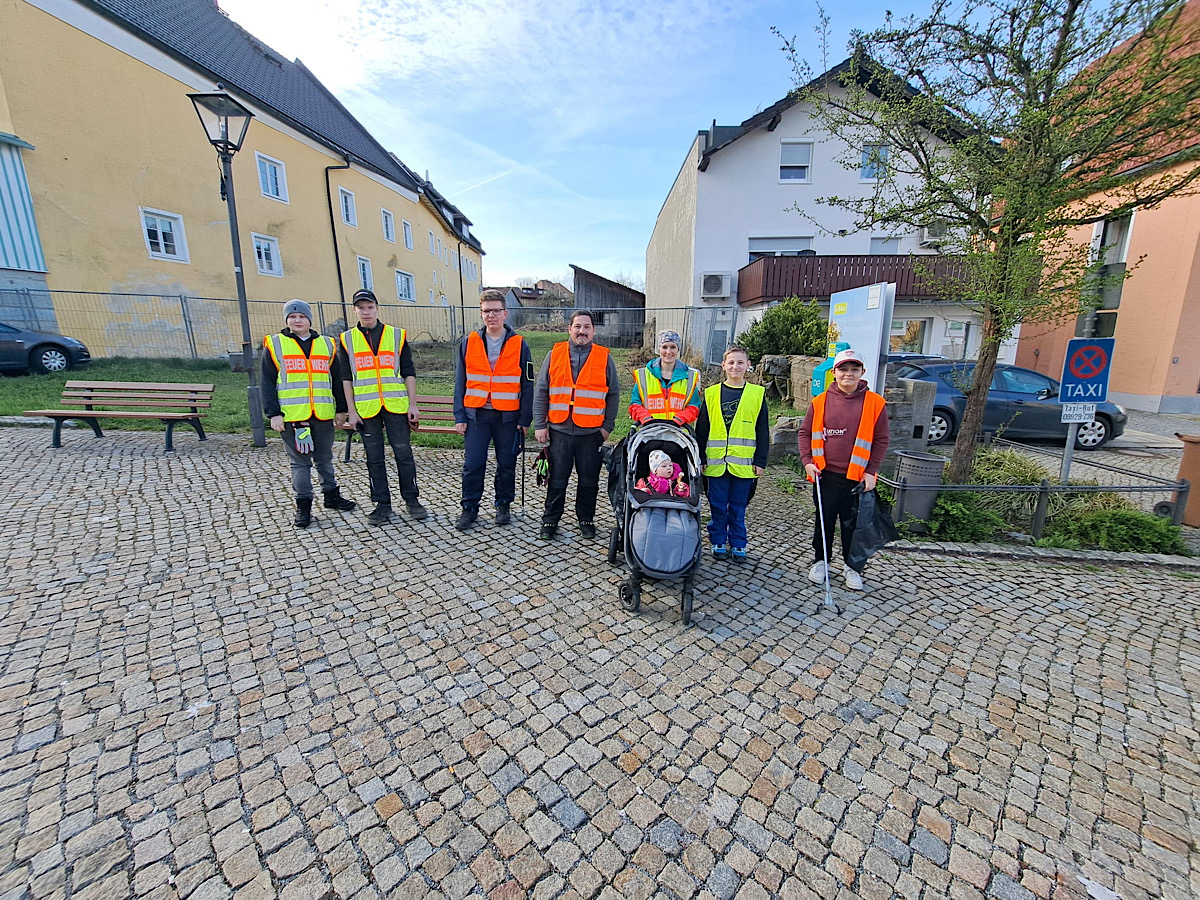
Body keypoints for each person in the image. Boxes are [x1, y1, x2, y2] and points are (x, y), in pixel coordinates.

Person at [796, 348, 890, 590]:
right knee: (823, 522)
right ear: (834, 372)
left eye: (854, 369)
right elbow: (805, 433)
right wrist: (807, 460)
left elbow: (881, 440)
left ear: (862, 372)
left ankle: (852, 567)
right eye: (843, 369)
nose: (848, 373)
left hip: (856, 478)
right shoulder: (820, 402)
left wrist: (871, 471)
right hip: (824, 475)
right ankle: (821, 562)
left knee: (853, 525)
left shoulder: (875, 403)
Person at [334, 288, 428, 526]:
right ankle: (382, 504)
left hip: (396, 405)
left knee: (403, 454)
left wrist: (413, 404)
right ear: (354, 310)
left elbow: (409, 371)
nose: (366, 312)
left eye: (369, 307)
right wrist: (351, 411)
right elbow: (345, 377)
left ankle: (412, 500)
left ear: (377, 308)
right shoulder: (346, 339)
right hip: (366, 408)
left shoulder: (396, 335)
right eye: (361, 307)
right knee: (374, 458)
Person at [262, 299, 357, 528]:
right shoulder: (275, 345)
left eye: (302, 316)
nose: (297, 320)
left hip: (322, 414)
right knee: (300, 463)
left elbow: (337, 379)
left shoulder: (327, 344)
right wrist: (273, 414)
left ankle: (331, 495)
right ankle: (303, 507)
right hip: (294, 417)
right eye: (292, 317)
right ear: (287, 320)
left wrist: (342, 408)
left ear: (309, 320)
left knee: (324, 458)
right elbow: (266, 382)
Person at [532, 309, 620, 540]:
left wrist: (606, 428)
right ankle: (550, 521)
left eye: (587, 327)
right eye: (577, 326)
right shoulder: (555, 354)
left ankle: (586, 519)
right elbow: (541, 390)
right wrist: (540, 423)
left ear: (593, 331)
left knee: (589, 481)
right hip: (560, 431)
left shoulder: (604, 357)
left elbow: (613, 394)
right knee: (557, 479)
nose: (582, 331)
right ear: (569, 329)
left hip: (591, 434)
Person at [453, 290, 534, 530]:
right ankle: (469, 508)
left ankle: (503, 504)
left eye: (496, 310)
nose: (492, 315)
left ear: (505, 313)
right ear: (481, 314)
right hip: (476, 415)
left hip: (508, 417)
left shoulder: (520, 345)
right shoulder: (469, 342)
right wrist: (459, 415)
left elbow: (527, 383)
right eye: (487, 311)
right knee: (473, 463)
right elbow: (460, 381)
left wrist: (525, 418)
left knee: (506, 463)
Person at [697, 346, 768, 562]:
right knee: (717, 504)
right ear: (723, 366)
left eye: (740, 362)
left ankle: (738, 543)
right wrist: (700, 458)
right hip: (716, 463)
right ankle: (717, 540)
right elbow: (702, 429)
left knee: (738, 506)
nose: (735, 366)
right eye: (731, 363)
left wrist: (761, 460)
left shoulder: (757, 394)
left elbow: (762, 430)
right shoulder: (711, 393)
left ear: (748, 365)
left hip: (744, 464)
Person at [629, 330, 701, 427]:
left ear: (678, 349)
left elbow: (694, 407)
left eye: (673, 347)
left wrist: (679, 420)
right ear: (659, 349)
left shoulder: (689, 377)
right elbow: (635, 404)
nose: (668, 352)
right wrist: (645, 418)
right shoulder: (644, 375)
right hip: (649, 432)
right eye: (664, 347)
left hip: (678, 434)